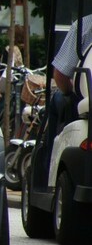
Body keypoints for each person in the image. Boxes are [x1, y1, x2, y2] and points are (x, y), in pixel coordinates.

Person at [45, 14, 92, 167]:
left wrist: (70, 91)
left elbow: (60, 75)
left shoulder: (84, 26)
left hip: (86, 99)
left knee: (58, 99)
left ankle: (49, 169)